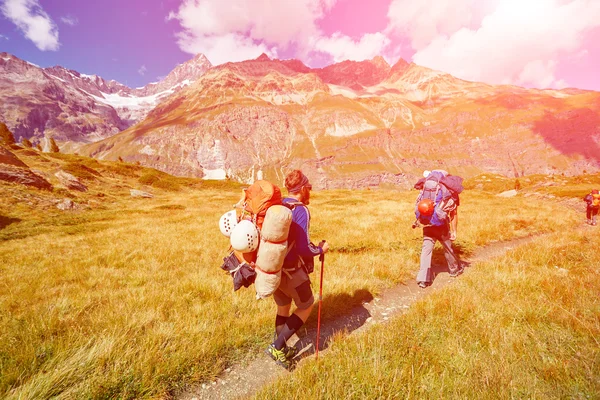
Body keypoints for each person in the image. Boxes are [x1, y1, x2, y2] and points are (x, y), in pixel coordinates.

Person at [265, 170, 329, 369]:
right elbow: (303, 247)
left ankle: (282, 349)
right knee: (306, 305)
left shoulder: (278, 205)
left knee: (283, 307)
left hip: (273, 267)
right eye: (308, 188)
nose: (309, 191)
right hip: (293, 270)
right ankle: (276, 347)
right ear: (302, 189)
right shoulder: (301, 210)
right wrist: (320, 249)